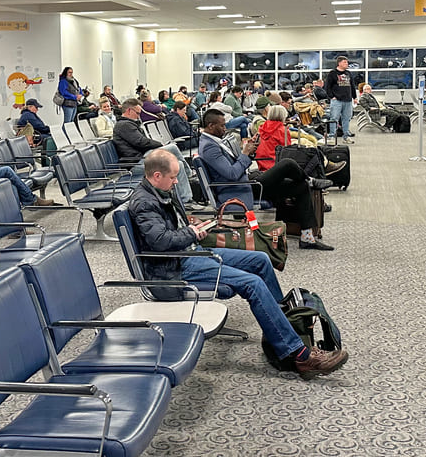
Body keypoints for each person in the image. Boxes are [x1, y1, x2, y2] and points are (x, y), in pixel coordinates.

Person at [126, 149, 348, 380]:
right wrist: (190, 233)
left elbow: (169, 230)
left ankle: (281, 329)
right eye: (172, 178)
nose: (175, 183)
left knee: (261, 260)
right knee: (252, 283)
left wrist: (194, 227)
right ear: (156, 175)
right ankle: (299, 355)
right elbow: (160, 241)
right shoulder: (144, 202)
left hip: (188, 253)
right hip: (174, 267)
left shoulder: (159, 191)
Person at [198, 109, 333, 250]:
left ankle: (307, 237)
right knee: (287, 164)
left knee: (301, 186)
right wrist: (245, 154)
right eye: (221, 125)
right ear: (210, 125)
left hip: (246, 182)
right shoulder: (209, 147)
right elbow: (231, 174)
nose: (225, 128)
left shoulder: (212, 142)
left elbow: (232, 168)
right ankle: (311, 180)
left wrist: (248, 154)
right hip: (239, 188)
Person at [112, 99, 193, 204]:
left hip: (142, 157)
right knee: (172, 148)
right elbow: (140, 142)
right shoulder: (124, 125)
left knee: (179, 164)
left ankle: (186, 199)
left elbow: (141, 142)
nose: (139, 116)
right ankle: (188, 176)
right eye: (137, 113)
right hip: (136, 162)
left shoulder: (128, 124)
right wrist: (160, 145)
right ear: (129, 111)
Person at [324, 56, 357, 144]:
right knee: (334, 118)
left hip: (348, 100)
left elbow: (352, 86)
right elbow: (327, 87)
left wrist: (355, 97)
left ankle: (346, 137)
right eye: (345, 62)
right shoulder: (332, 73)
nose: (347, 64)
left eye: (347, 62)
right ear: (339, 63)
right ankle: (331, 136)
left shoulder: (348, 73)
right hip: (337, 100)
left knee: (346, 118)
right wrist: (332, 97)